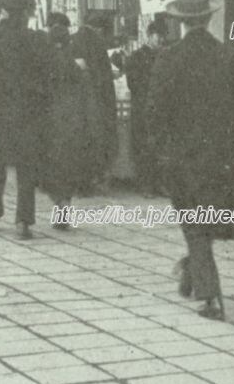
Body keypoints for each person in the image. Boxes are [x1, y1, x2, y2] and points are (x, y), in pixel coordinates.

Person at [147, 0, 234, 321]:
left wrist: (161, 151)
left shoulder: (167, 59)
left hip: (181, 158)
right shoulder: (230, 57)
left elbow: (155, 112)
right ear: (208, 17)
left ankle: (209, 297)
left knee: (194, 224)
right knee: (206, 222)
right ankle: (192, 272)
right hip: (221, 158)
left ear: (181, 20)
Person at [0, 0, 52, 239]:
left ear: (5, 12)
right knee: (26, 168)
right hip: (26, 112)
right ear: (25, 13)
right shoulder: (36, 39)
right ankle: (23, 221)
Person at [42, 12, 108, 229]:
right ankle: (64, 204)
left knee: (52, 168)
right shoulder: (78, 70)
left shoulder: (44, 67)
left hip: (50, 125)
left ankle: (59, 203)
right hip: (73, 125)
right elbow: (89, 102)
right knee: (68, 167)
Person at [125, 16, 169, 196]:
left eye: (164, 36)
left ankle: (160, 184)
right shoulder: (136, 57)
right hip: (142, 107)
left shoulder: (166, 58)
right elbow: (133, 83)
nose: (161, 40)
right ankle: (145, 185)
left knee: (160, 146)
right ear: (149, 36)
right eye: (158, 36)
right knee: (143, 146)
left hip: (161, 108)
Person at [74, 12, 118, 189]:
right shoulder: (97, 43)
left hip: (75, 102)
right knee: (94, 137)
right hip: (95, 99)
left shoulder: (74, 38)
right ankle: (91, 179)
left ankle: (80, 181)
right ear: (100, 29)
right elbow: (104, 77)